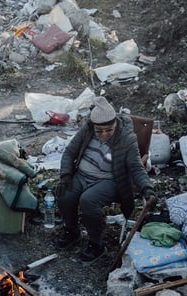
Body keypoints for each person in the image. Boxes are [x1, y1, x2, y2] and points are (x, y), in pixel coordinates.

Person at [56, 96, 155, 262]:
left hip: (108, 180)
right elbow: (69, 153)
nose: (104, 135)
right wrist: (66, 176)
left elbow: (136, 167)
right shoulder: (87, 129)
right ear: (93, 126)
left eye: (109, 130)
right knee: (65, 195)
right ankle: (72, 231)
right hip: (82, 174)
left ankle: (96, 244)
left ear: (115, 123)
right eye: (99, 131)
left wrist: (146, 188)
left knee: (88, 200)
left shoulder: (126, 138)